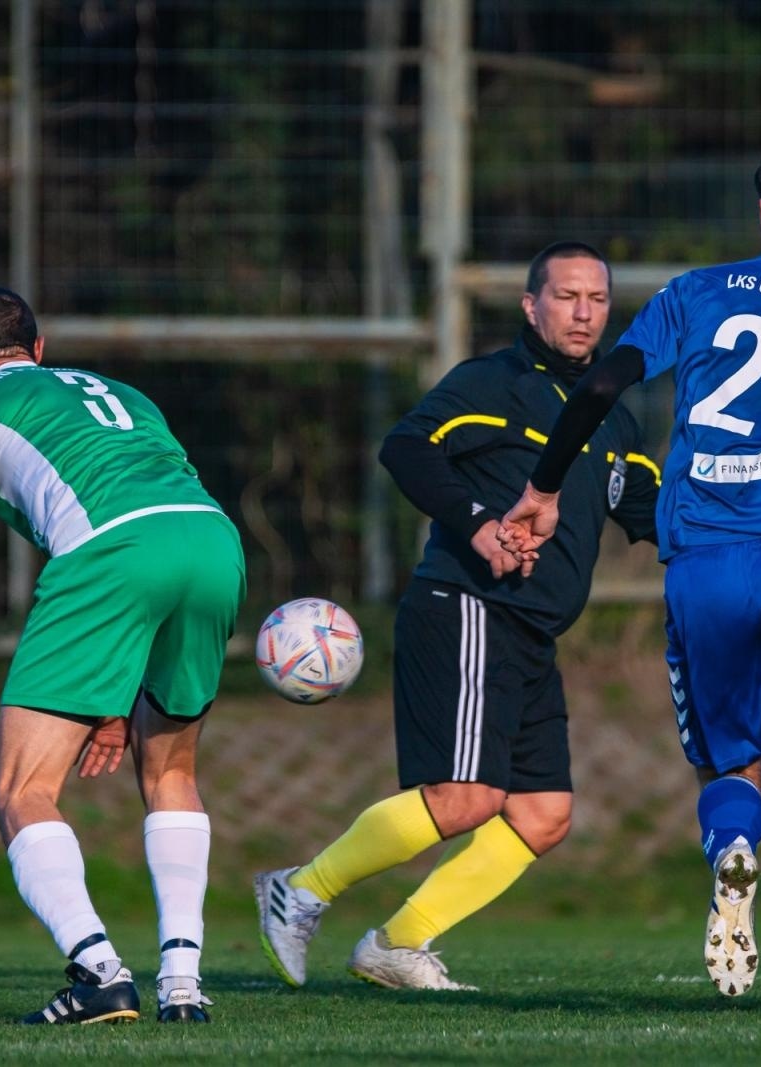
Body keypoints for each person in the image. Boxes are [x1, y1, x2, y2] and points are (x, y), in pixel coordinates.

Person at [498, 118, 761, 1017]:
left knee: (733, 766)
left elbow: (604, 386)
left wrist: (543, 487)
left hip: (706, 564)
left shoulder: (698, 293)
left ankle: (734, 852)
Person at [255, 243, 661, 991]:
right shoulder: (495, 383)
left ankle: (396, 942)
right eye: (565, 296)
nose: (582, 313)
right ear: (530, 306)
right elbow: (404, 446)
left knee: (542, 813)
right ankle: (301, 887)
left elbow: (649, 512)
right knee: (466, 798)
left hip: (532, 632)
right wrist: (476, 521)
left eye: (597, 300)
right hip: (471, 607)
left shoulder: (617, 420)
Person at [0, 286, 245, 1025]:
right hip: (212, 538)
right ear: (39, 348)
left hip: (114, 552)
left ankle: (99, 970)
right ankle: (185, 984)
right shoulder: (120, 392)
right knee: (171, 770)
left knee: (19, 788)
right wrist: (108, 700)